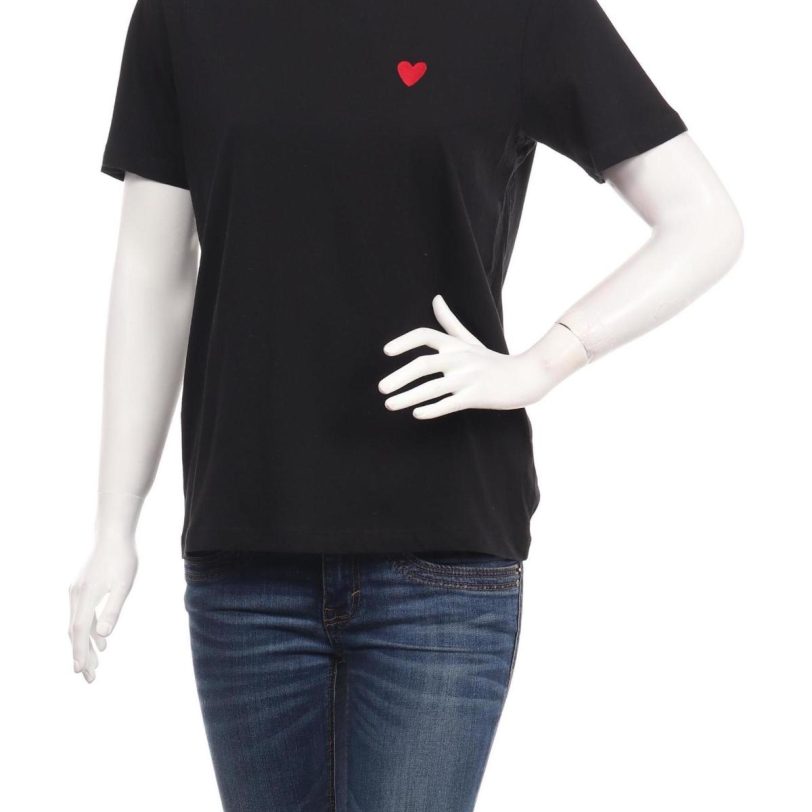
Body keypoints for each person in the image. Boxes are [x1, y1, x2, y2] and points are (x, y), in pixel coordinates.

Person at [68, 0, 743, 809]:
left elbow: (704, 222)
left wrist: (542, 363)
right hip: (247, 550)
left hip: (441, 552)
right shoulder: (184, 16)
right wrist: (114, 523)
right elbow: (153, 273)